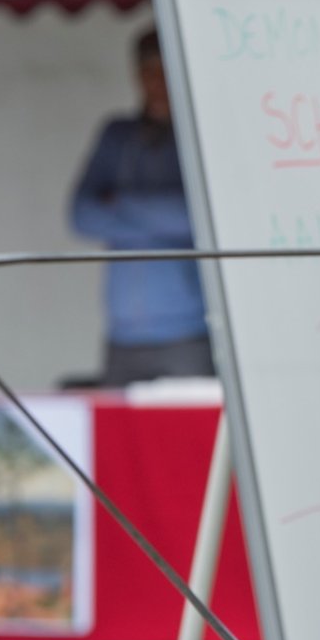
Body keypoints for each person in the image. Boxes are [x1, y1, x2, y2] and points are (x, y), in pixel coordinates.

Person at [70, 27, 213, 387]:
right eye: (148, 71)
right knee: (119, 424)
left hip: (188, 330)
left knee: (191, 424)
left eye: (164, 70)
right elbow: (81, 215)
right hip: (122, 331)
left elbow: (199, 216)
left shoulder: (199, 133)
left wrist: (121, 203)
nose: (157, 82)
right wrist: (161, 218)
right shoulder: (117, 134)